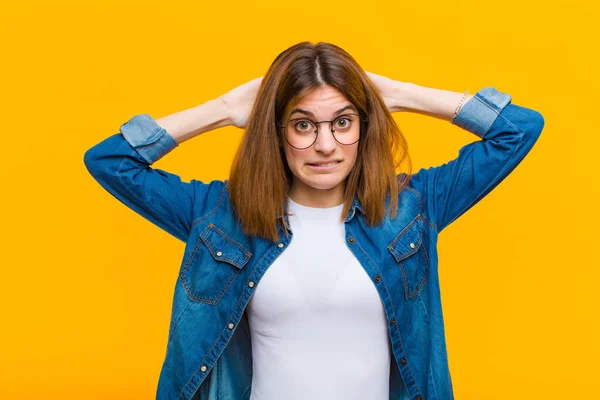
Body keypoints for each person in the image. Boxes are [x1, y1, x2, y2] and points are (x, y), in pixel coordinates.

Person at [83, 41, 545, 400]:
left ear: (364, 127)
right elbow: (109, 160)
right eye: (303, 125)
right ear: (277, 132)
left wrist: (400, 95)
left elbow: (518, 130)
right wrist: (224, 109)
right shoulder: (222, 216)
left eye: (342, 122)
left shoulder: (412, 207)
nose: (325, 145)